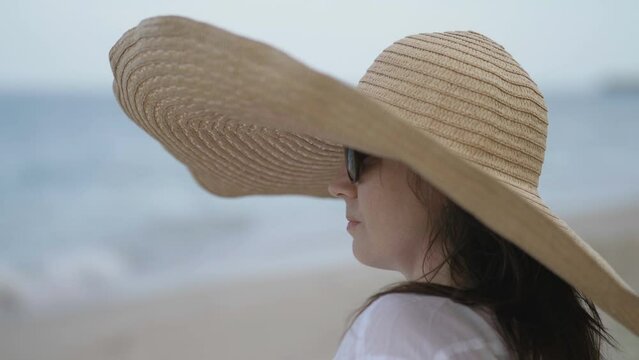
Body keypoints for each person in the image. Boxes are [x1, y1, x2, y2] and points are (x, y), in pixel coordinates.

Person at [109, 15, 638, 359]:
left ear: (439, 180)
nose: (341, 184)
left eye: (358, 155)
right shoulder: (536, 334)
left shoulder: (407, 330)